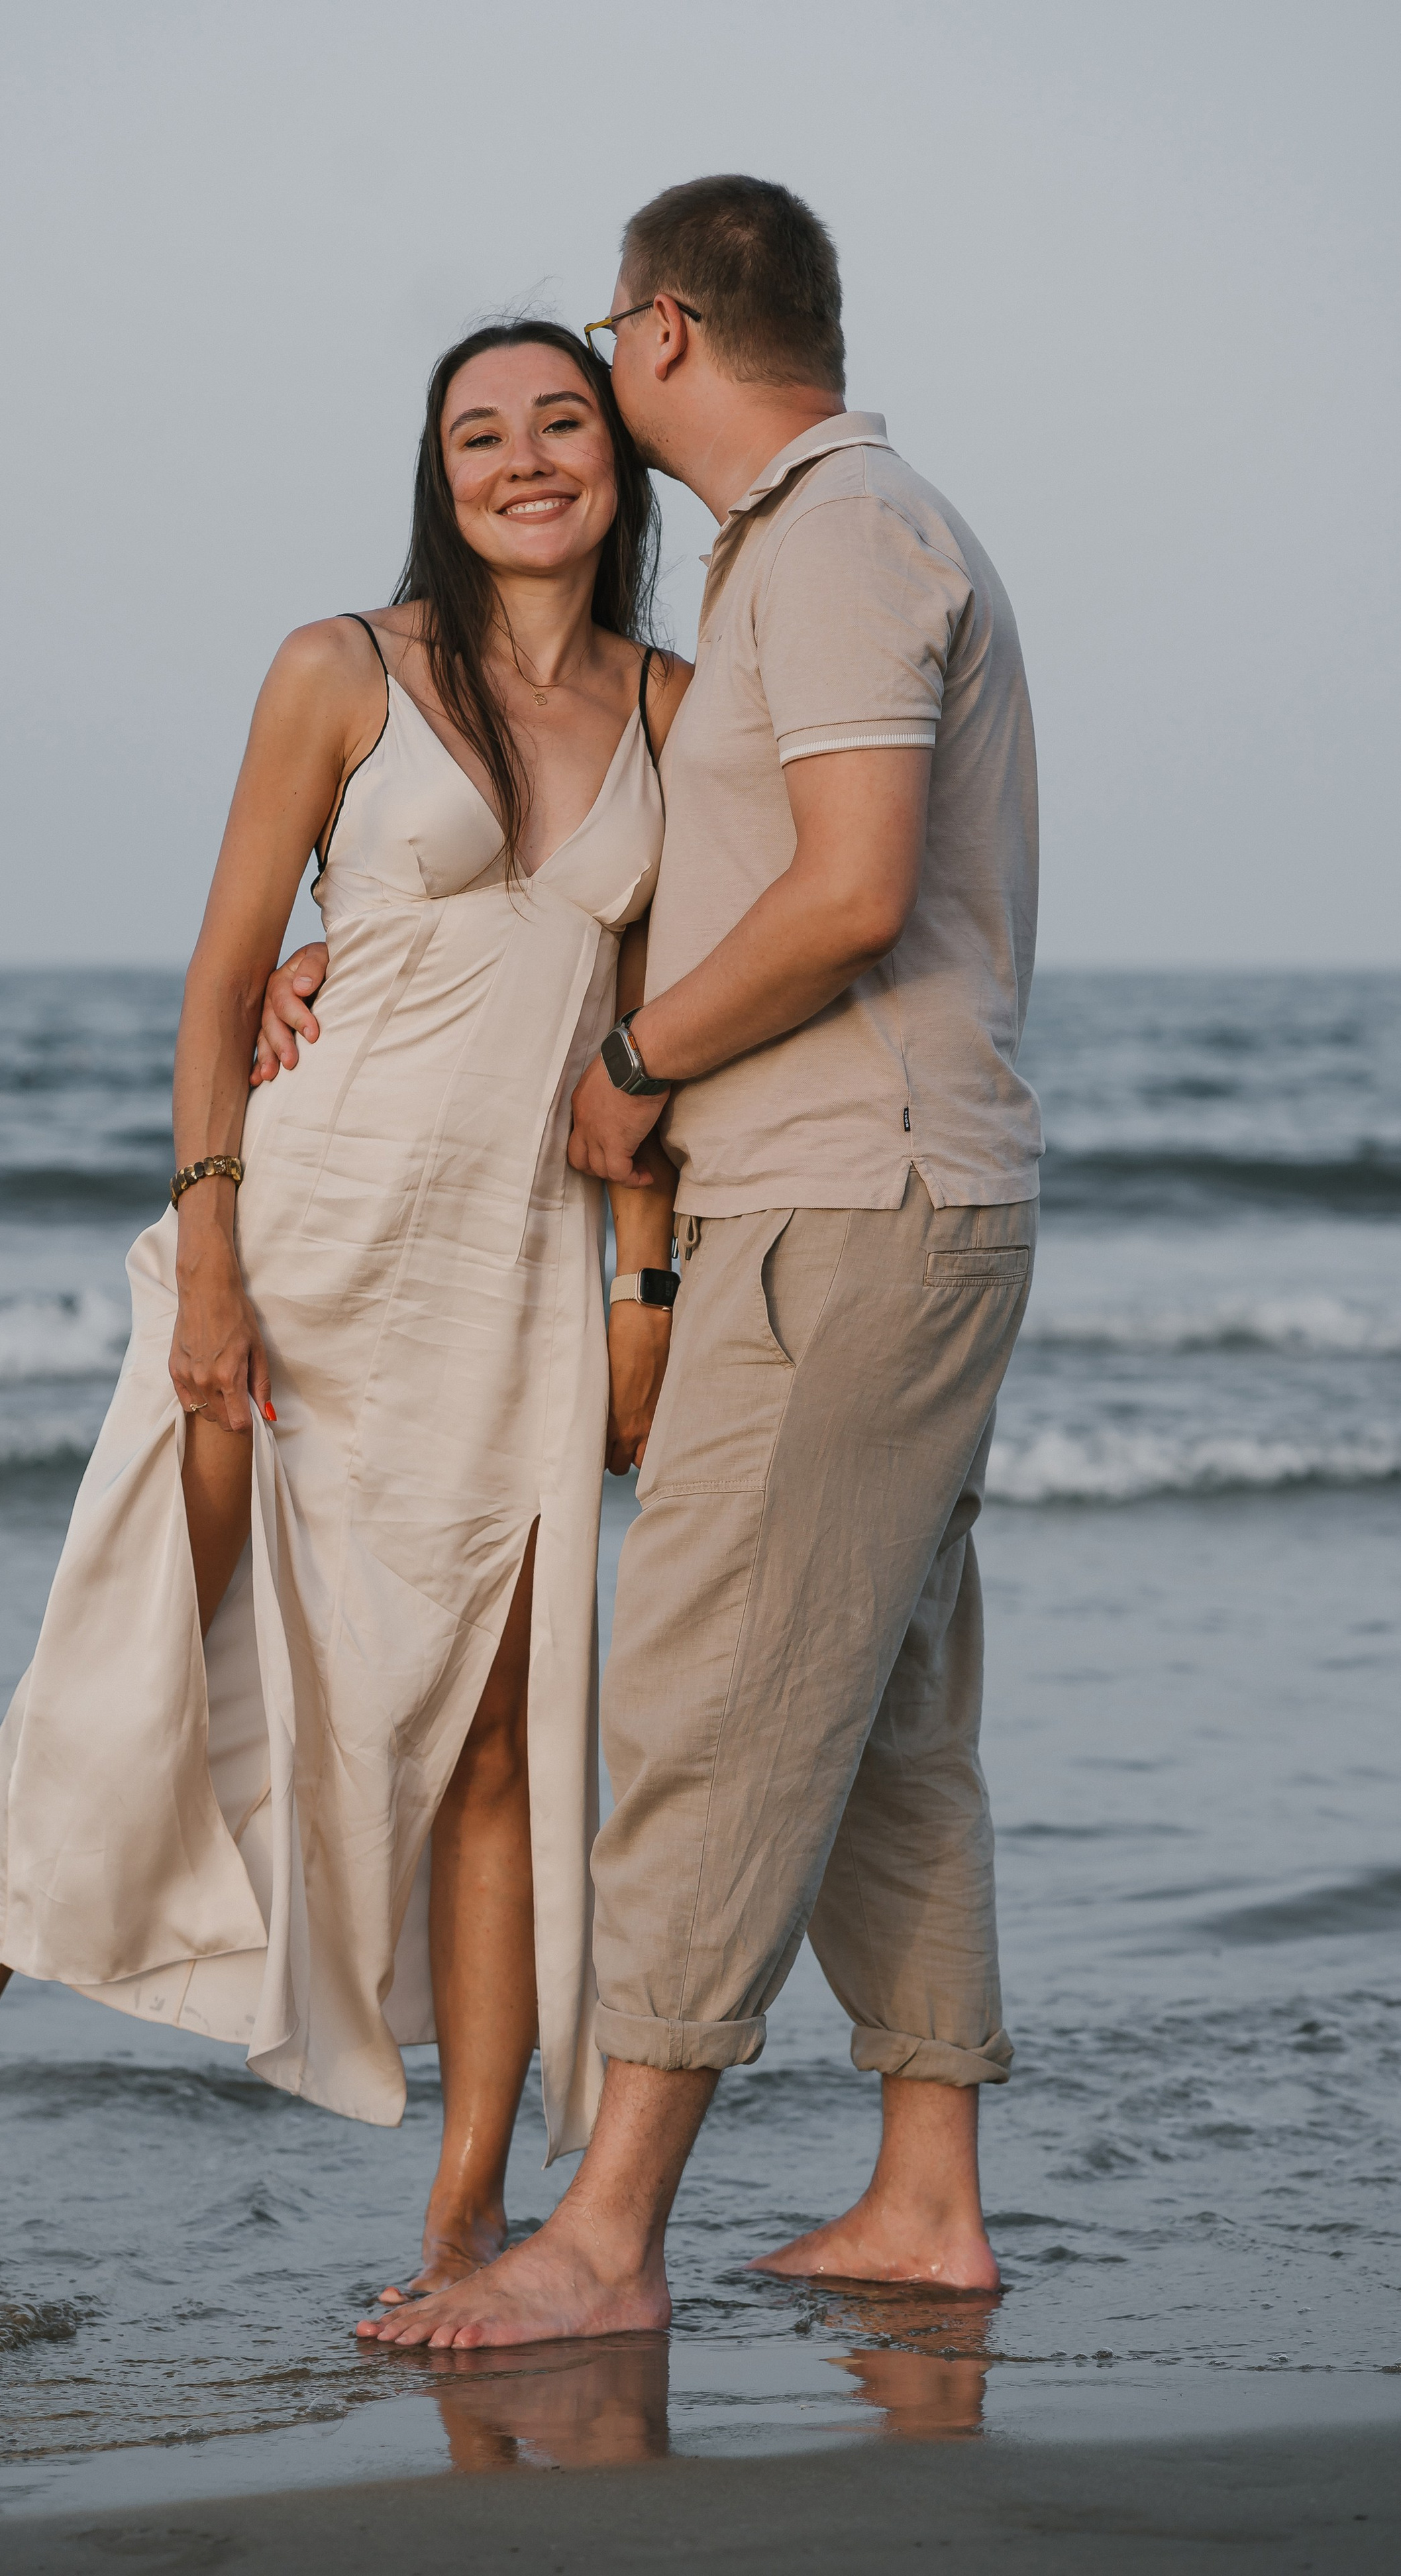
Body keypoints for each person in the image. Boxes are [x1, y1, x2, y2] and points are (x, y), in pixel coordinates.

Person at [0, 318, 691, 2307]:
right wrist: (208, 1261)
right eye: (479, 433)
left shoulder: (675, 707)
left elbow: (656, 1050)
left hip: (512, 1292)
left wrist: (644, 1299)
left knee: (497, 1741)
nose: (524, 460)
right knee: (132, 1659)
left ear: (618, 459)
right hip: (295, 1255)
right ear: (439, 471)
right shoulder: (342, 668)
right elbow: (224, 985)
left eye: (561, 422)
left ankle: (468, 2209)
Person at [331, 174, 1043, 2346]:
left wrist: (633, 1067)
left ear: (656, 338)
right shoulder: (833, 535)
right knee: (890, 1717)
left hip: (844, 1200)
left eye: (597, 371)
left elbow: (845, 893)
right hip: (892, 1196)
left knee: (713, 1707)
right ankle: (926, 2196)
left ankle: (608, 2237)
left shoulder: (830, 540)